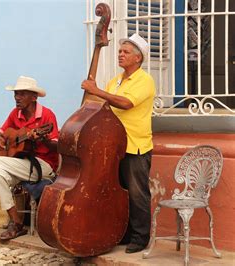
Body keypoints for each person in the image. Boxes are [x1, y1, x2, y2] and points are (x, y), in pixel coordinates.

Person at [81, 33, 156, 253]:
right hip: (113, 146)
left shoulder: (145, 80)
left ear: (138, 58)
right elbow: (102, 104)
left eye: (125, 52)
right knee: (119, 192)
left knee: (137, 193)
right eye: (120, 52)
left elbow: (125, 103)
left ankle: (140, 237)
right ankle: (122, 233)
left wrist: (98, 91)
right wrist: (91, 94)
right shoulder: (115, 81)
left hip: (136, 145)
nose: (120, 55)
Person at [0, 76, 59, 241]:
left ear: (34, 97)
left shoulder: (47, 115)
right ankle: (16, 221)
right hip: (20, 164)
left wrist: (43, 139)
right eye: (16, 94)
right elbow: (1, 131)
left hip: (43, 167)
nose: (17, 98)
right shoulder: (16, 113)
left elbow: (56, 146)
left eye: (22, 94)